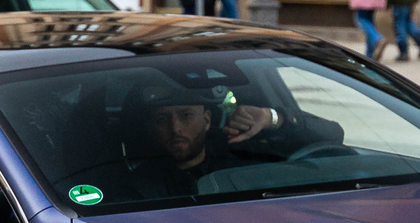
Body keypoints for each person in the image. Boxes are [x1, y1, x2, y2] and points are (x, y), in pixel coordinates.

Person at [112, 74, 345, 200]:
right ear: (150, 128)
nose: (176, 128)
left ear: (206, 120)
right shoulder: (135, 187)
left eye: (186, 115)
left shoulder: (243, 156)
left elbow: (333, 135)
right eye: (162, 120)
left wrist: (272, 118)